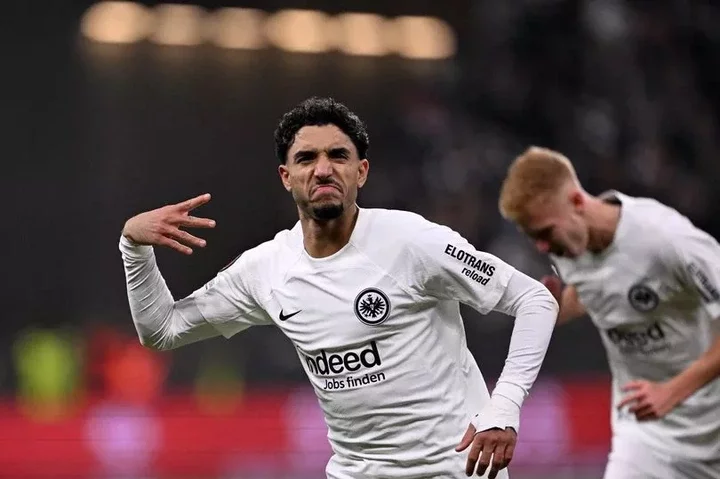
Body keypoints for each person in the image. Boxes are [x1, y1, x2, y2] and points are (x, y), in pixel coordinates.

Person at [119, 97, 558, 479]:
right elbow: (162, 330)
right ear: (286, 176)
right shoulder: (265, 269)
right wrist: (133, 246)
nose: (323, 169)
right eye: (307, 158)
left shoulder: (412, 241)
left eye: (338, 156)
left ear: (361, 172)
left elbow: (535, 300)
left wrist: (504, 407)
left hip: (455, 469)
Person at [498, 146, 720, 479]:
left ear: (576, 201)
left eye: (544, 233)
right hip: (647, 439)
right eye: (533, 238)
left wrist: (672, 390)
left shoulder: (666, 239)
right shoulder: (569, 246)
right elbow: (597, 290)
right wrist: (555, 307)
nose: (542, 248)